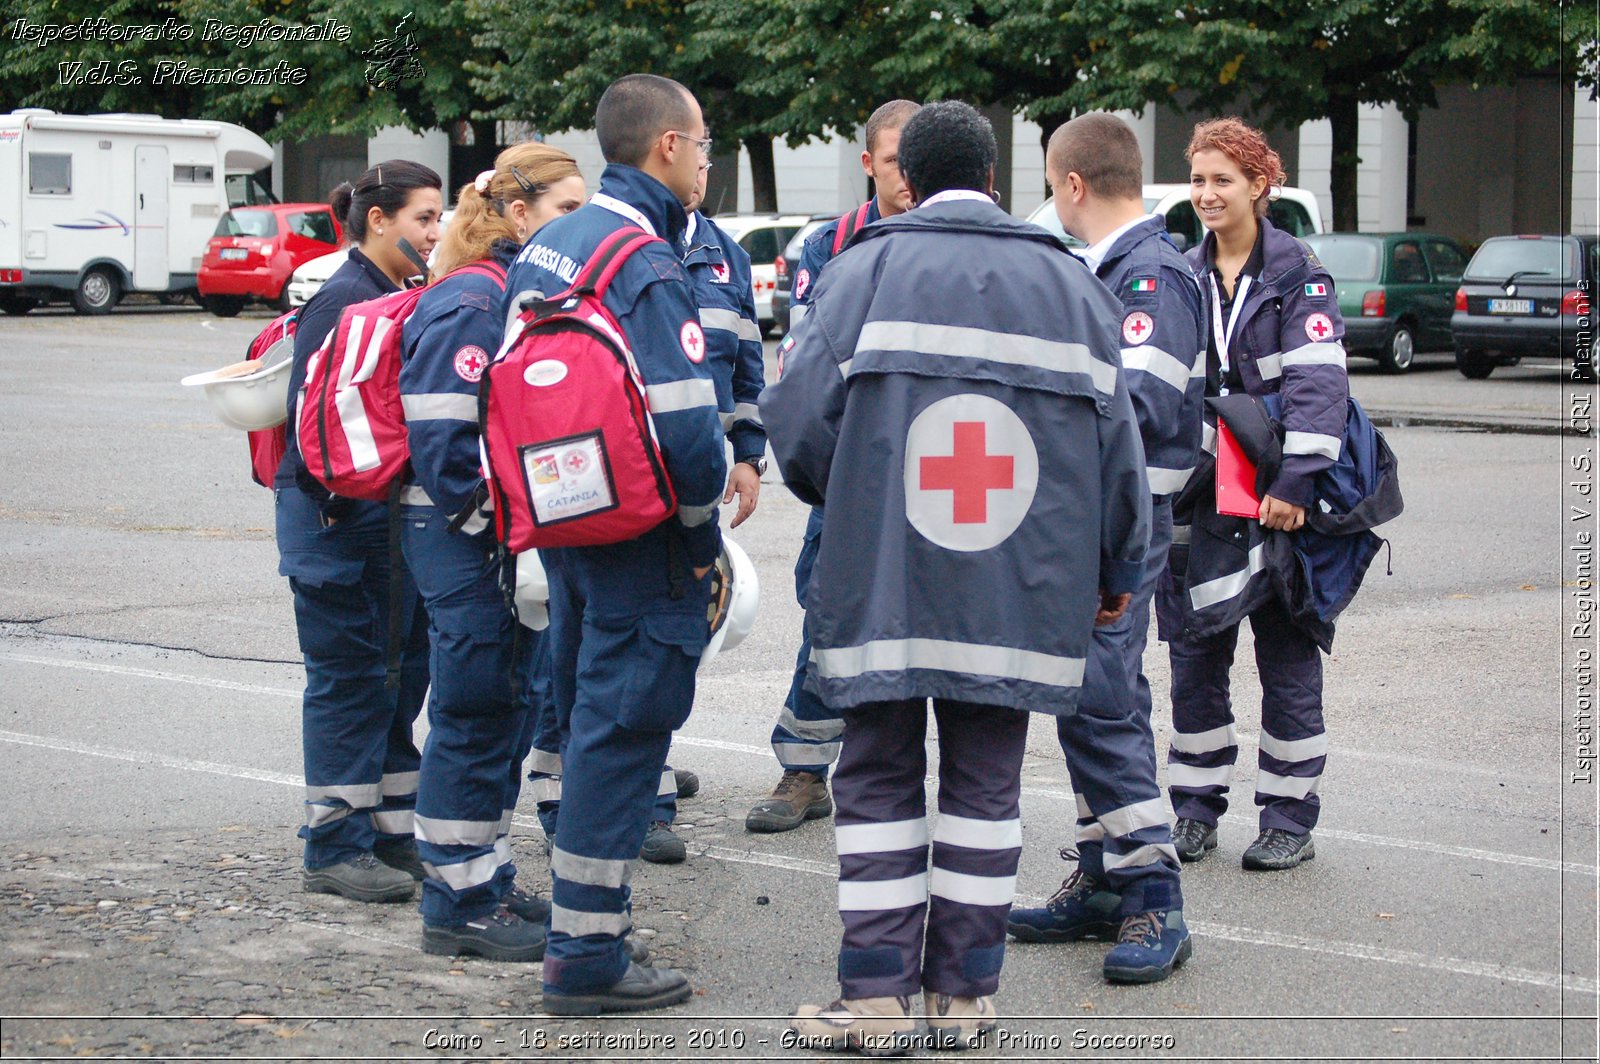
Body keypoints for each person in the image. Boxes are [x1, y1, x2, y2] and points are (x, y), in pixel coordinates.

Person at [763, 101, 1150, 1054]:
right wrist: (1114, 570)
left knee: (878, 780)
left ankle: (878, 1005)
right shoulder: (1073, 286)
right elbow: (1120, 452)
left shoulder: (863, 272)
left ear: (906, 177)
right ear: (993, 174)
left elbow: (797, 426)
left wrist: (848, 498)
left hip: (882, 581)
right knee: (988, 785)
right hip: (1021, 588)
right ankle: (965, 1002)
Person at [500, 73, 726, 1015]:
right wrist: (704, 537)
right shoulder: (643, 260)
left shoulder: (550, 244)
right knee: (625, 731)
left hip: (569, 521)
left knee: (590, 714)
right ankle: (587, 957)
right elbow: (684, 432)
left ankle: (581, 935)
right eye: (705, 141)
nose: (710, 157)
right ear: (666, 146)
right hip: (644, 537)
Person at [1005, 113, 1203, 983]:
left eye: (1053, 187)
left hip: (1120, 528)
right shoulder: (1113, 271)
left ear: (1073, 185)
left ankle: (1154, 895)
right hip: (1092, 525)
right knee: (1088, 700)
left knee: (1101, 702)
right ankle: (1102, 880)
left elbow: (1141, 411)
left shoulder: (1149, 278)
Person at [397, 144, 585, 961]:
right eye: (566, 211)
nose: (582, 227)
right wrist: (504, 531)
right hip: (464, 536)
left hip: (492, 538)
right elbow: (444, 444)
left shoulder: (510, 289)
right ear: (518, 216)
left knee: (503, 707)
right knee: (475, 710)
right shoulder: (477, 297)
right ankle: (457, 902)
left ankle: (484, 877)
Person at [1161, 117, 1349, 871]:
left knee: (1288, 658)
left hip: (1279, 502)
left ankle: (1288, 819)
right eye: (1199, 180)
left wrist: (1297, 484)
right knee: (1193, 653)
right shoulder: (1181, 270)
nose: (1207, 194)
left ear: (1259, 185)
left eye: (1222, 181)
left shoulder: (1296, 273)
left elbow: (1319, 384)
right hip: (1201, 499)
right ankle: (1194, 810)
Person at [747, 98, 920, 836]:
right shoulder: (829, 246)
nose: (906, 179)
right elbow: (808, 366)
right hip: (853, 467)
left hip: (937, 467)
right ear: (867, 165)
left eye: (916, 164)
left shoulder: (963, 239)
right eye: (892, 164)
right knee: (829, 614)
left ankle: (901, 777)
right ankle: (804, 771)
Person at [278, 161, 442, 903]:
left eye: (438, 220)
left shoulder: (394, 293)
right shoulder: (344, 298)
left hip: (378, 522)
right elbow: (316, 426)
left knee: (398, 676)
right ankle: (334, 844)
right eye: (423, 220)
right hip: (336, 521)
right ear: (379, 221)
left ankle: (389, 831)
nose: (435, 235)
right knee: (350, 681)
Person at [639, 158, 769, 863]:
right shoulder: (623, 244)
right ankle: (640, 795)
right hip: (631, 479)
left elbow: (747, 356)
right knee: (636, 635)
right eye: (696, 151)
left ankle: (649, 762)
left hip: (701, 476)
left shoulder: (723, 253)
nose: (704, 167)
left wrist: (748, 452)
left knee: (683, 631)